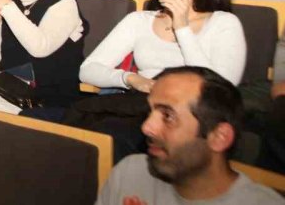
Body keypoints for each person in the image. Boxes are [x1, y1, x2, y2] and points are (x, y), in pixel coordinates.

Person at [96, 66, 283, 205]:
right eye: (149, 112)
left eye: (168, 116)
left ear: (219, 137)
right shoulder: (129, 172)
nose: (146, 127)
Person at [82, 0, 246, 93]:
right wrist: (131, 79)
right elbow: (88, 69)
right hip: (143, 104)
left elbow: (222, 89)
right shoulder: (139, 20)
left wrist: (182, 28)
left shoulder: (223, 23)